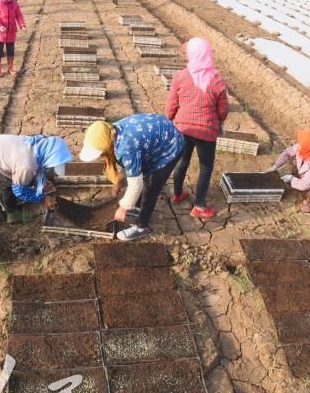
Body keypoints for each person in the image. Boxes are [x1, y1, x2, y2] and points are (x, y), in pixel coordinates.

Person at [0, 135, 73, 268]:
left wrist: (42, 184)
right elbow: (19, 190)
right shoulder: (26, 164)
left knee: (10, 178)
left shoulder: (38, 146)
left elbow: (38, 170)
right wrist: (42, 198)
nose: (51, 168)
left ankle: (12, 213)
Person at [79, 114, 183, 241]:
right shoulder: (111, 131)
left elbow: (135, 183)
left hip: (170, 146)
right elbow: (129, 168)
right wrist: (118, 183)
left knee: (150, 188)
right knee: (143, 177)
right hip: (158, 136)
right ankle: (138, 207)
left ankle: (141, 226)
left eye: (101, 152)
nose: (101, 155)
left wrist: (123, 208)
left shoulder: (126, 148)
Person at [166, 38, 229, 220]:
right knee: (205, 167)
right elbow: (223, 109)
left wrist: (170, 119)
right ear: (208, 54)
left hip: (182, 129)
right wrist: (220, 121)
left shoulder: (180, 76)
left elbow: (171, 104)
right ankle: (199, 206)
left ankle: (177, 193)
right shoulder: (216, 79)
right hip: (207, 131)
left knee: (181, 162)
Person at [0, 0, 26, 76]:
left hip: (11, 32)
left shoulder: (15, 4)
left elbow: (19, 16)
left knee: (10, 51)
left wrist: (22, 25)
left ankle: (10, 68)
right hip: (0, 32)